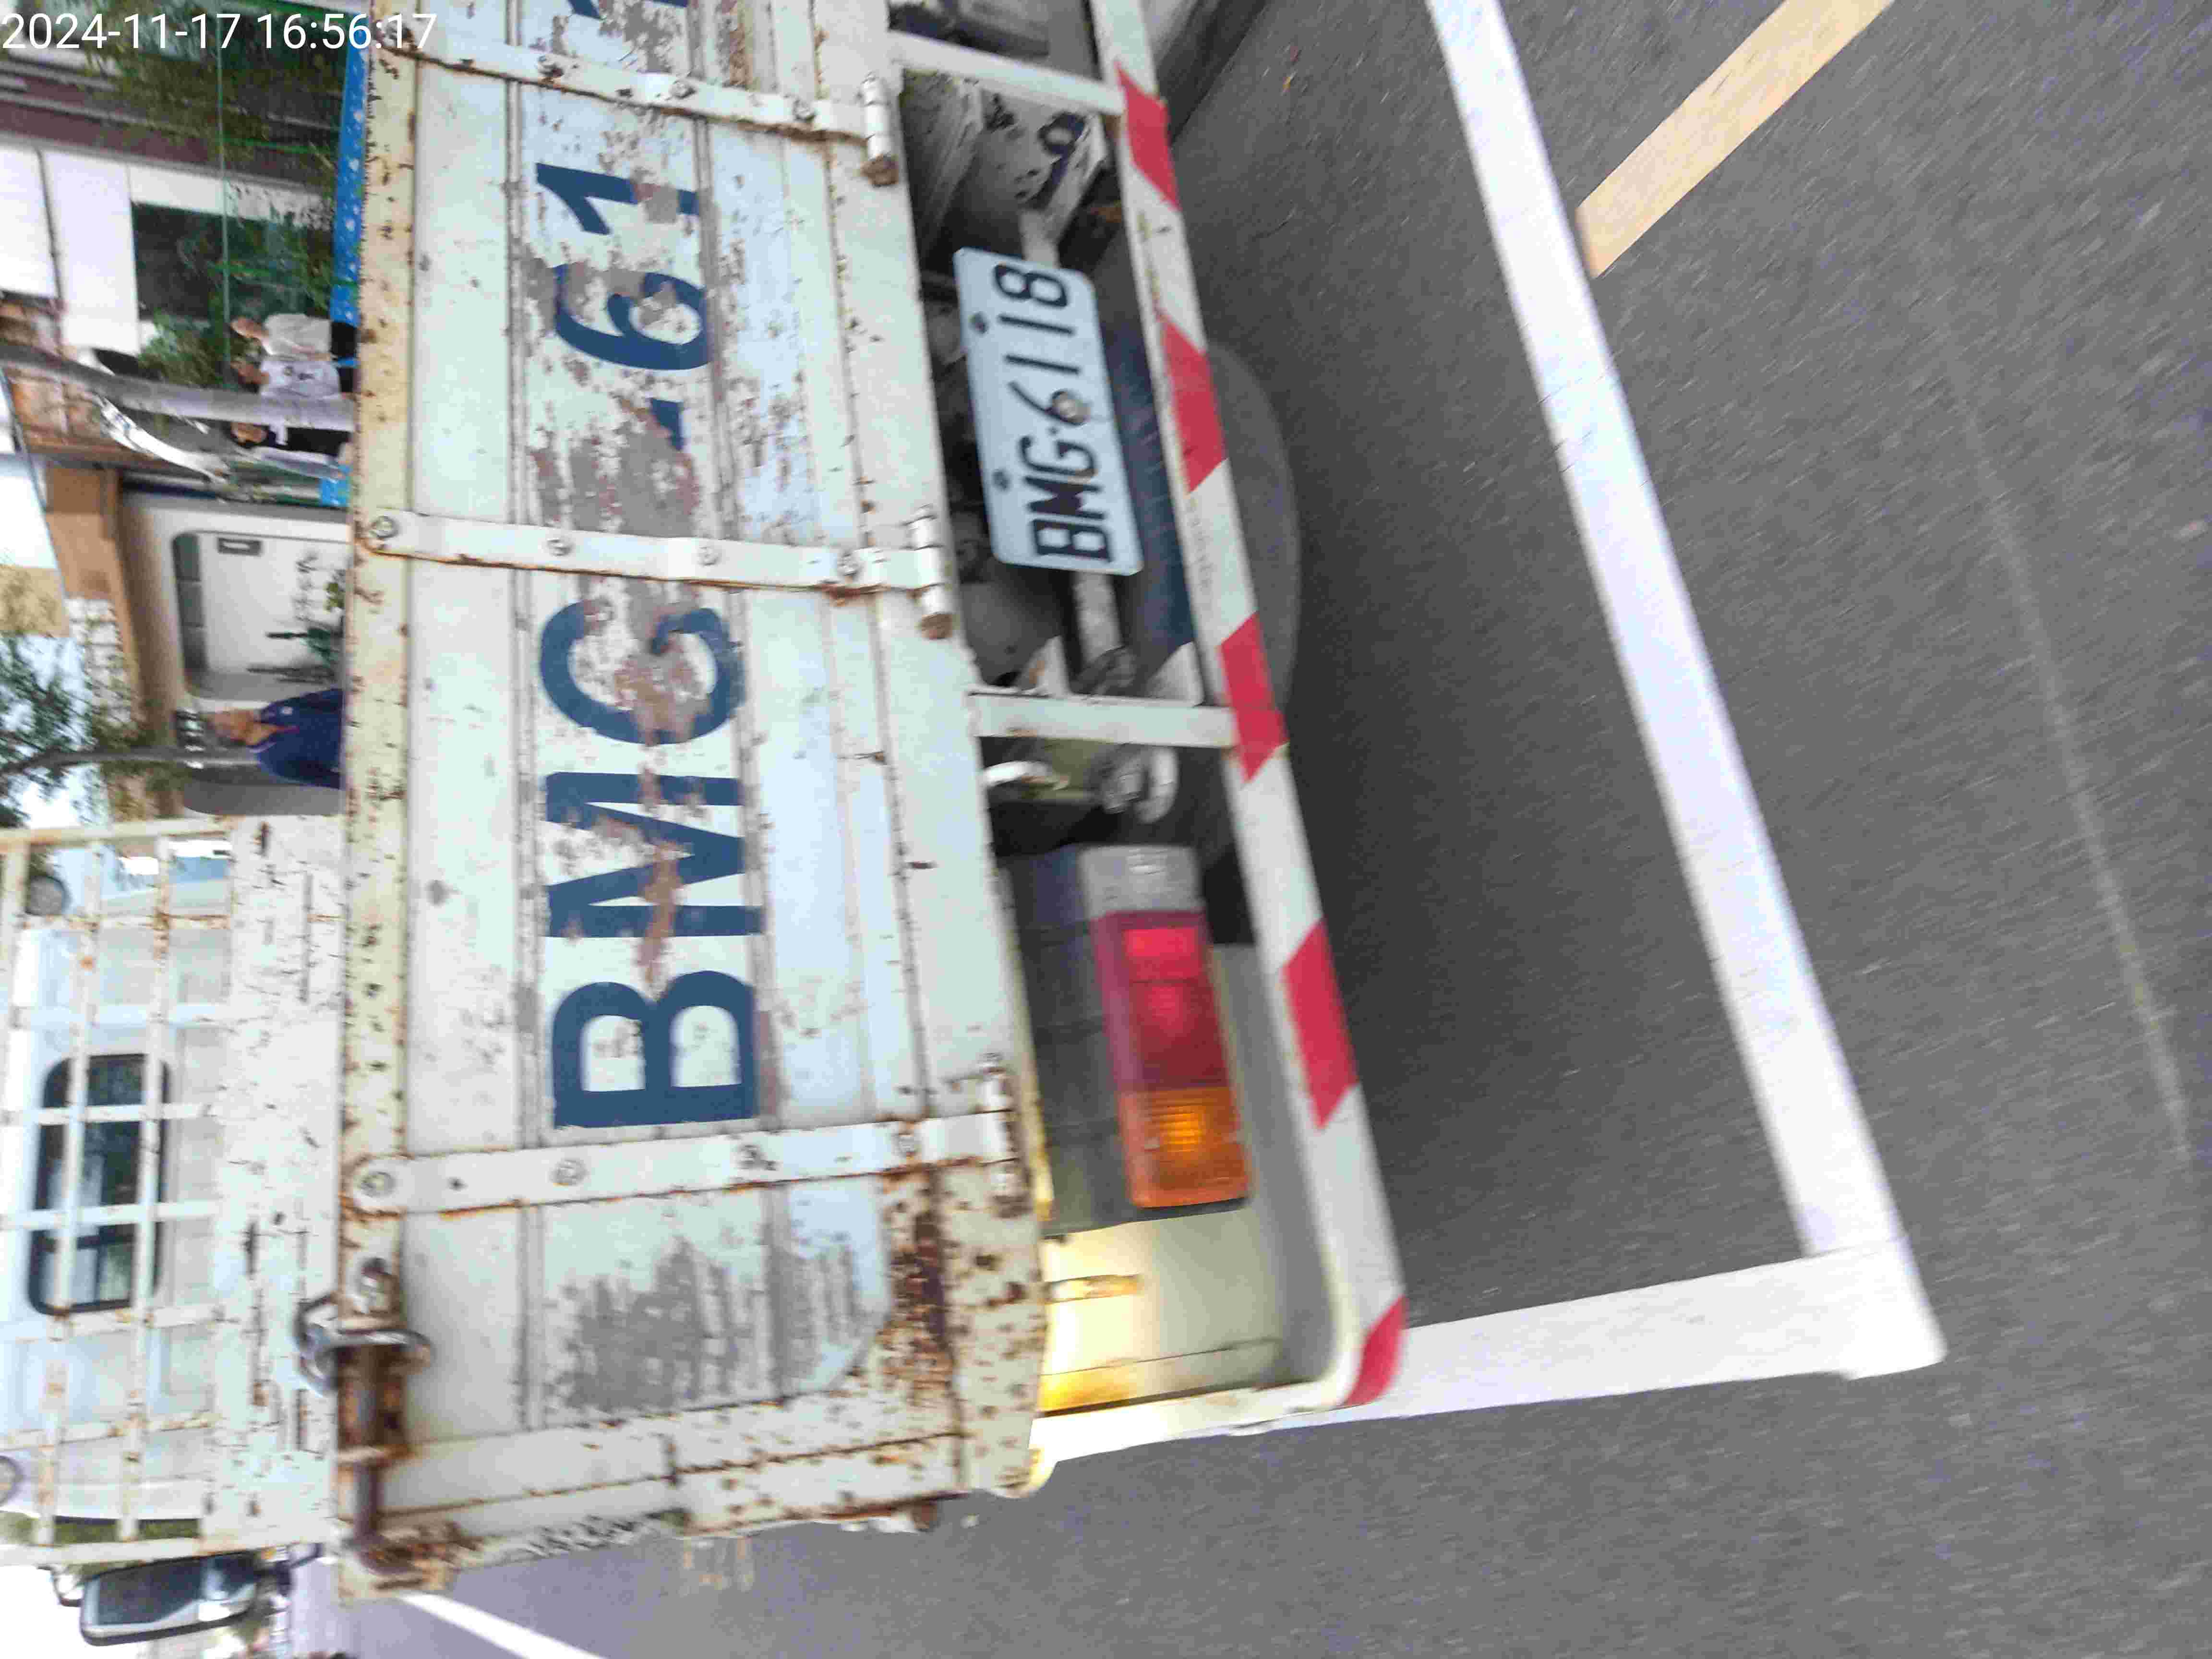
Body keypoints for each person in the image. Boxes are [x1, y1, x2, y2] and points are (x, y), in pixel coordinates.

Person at [205, 688, 345, 788]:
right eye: (228, 714)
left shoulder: (272, 710)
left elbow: (320, 700)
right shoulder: (273, 763)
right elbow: (329, 780)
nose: (234, 710)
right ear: (233, 734)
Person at [231, 313, 357, 362]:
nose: (246, 324)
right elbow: (302, 357)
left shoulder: (273, 319)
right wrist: (327, 357)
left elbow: (304, 318)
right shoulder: (272, 349)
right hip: (328, 346)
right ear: (247, 336)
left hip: (330, 327)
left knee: (362, 334)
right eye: (242, 327)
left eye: (244, 321)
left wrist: (328, 322)